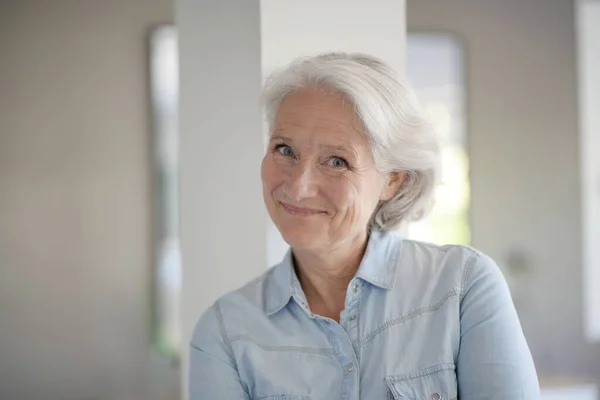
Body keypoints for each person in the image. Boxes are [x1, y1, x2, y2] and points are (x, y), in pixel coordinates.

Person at [189, 52, 540, 399]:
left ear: (393, 181)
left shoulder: (462, 288)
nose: (298, 187)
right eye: (285, 150)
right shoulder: (225, 332)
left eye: (337, 161)